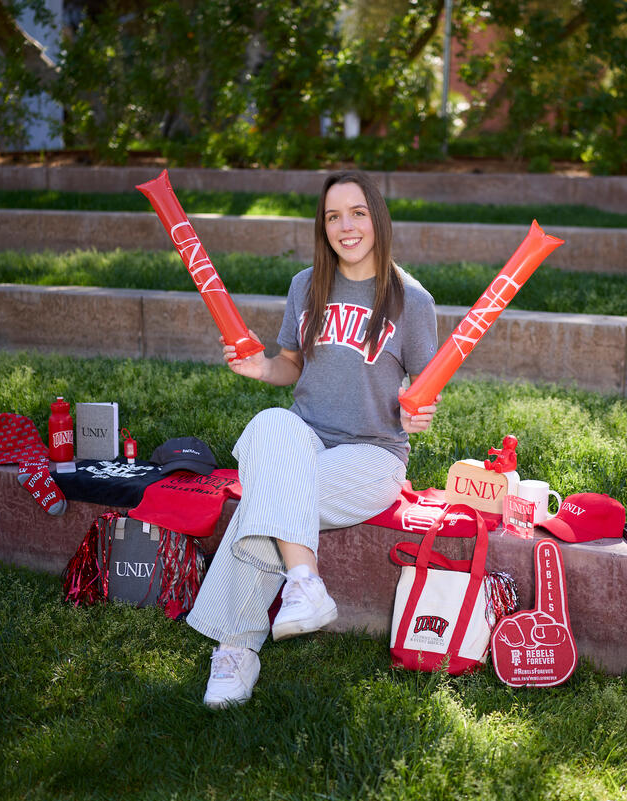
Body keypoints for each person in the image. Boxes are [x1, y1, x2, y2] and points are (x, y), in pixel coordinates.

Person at [185, 170, 441, 708]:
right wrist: (259, 369)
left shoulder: (412, 302)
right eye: (333, 216)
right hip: (306, 439)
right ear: (322, 226)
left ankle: (237, 647)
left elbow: (422, 392)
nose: (346, 226)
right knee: (266, 425)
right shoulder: (306, 286)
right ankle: (306, 585)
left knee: (267, 497)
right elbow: (290, 367)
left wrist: (420, 414)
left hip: (374, 456)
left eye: (357, 213)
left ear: (378, 218)